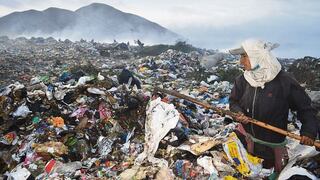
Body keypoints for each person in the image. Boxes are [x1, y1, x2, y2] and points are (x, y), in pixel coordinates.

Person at [228, 39, 318, 174]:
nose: (241, 61)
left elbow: (305, 108)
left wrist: (308, 132)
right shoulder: (243, 80)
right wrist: (239, 113)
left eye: (244, 56)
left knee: (267, 174)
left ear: (257, 56)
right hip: (245, 141)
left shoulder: (284, 81)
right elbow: (233, 102)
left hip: (270, 148)